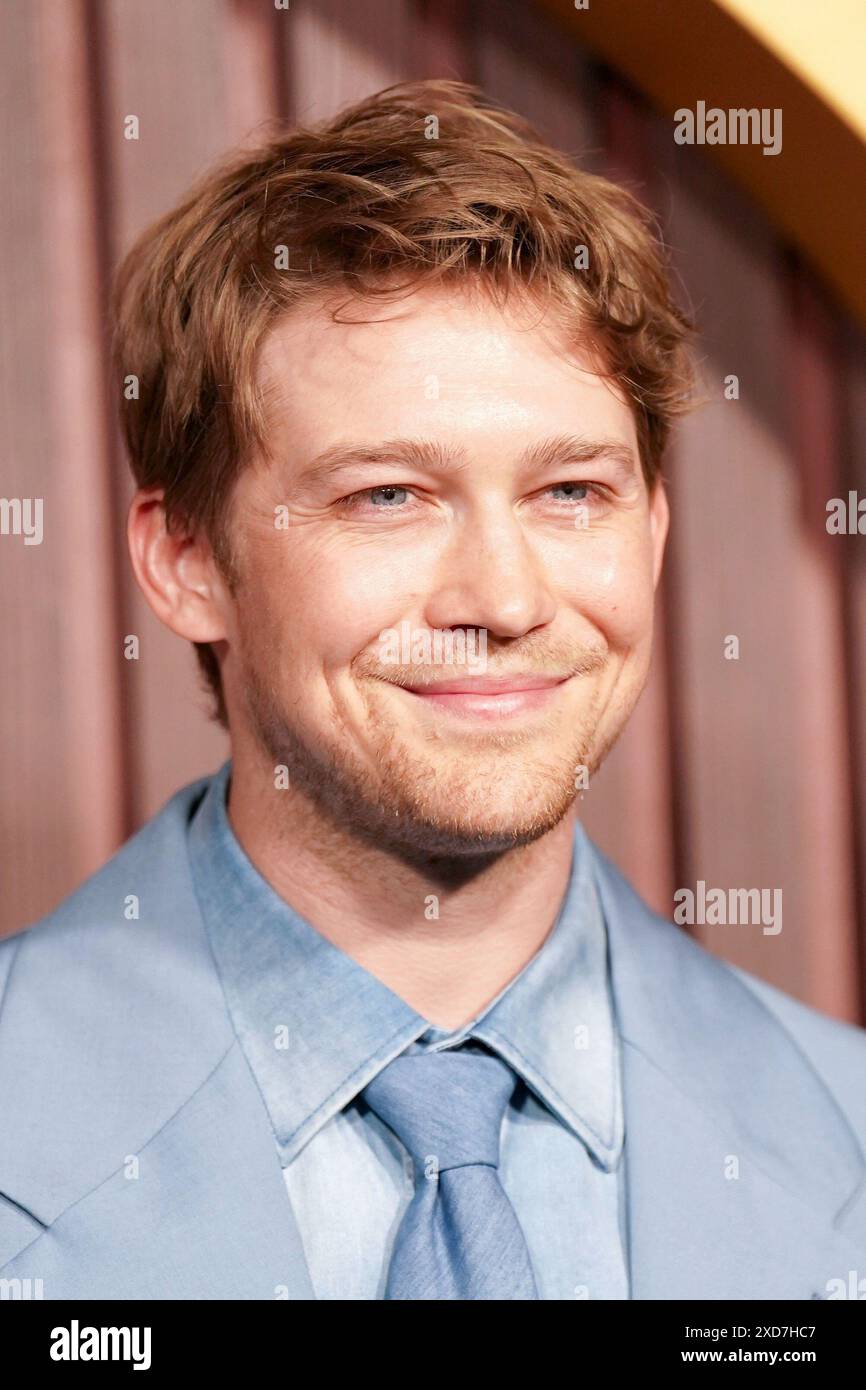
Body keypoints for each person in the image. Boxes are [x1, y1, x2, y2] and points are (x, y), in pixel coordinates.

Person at [2, 79, 865, 1302]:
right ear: (186, 560)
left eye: (570, 492)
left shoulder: (846, 1137)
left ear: (653, 531)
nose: (504, 599)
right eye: (387, 497)